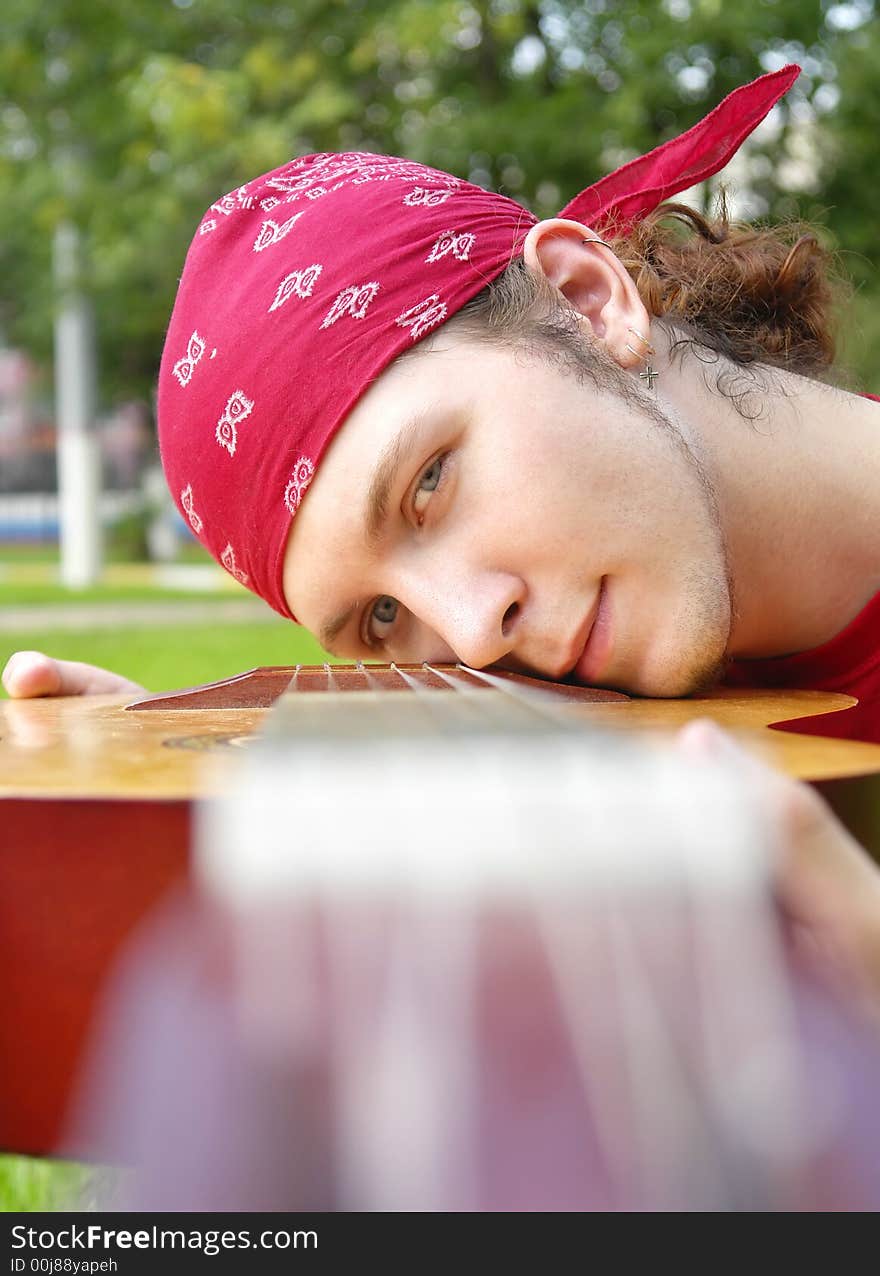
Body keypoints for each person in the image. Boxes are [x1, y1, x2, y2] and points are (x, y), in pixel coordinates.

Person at [4, 65, 880, 1006]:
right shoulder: (615, 750)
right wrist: (181, 818)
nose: (469, 634)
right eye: (384, 617)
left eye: (431, 481)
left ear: (587, 300)